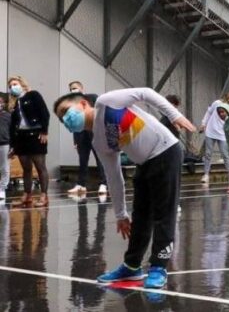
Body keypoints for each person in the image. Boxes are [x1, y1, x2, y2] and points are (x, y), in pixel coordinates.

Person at [53, 88, 197, 289]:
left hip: (166, 151)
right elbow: (114, 176)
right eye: (61, 119)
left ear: (83, 104)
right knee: (140, 216)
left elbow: (145, 93)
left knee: (164, 213)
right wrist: (121, 214)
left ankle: (158, 267)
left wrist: (175, 115)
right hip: (144, 163)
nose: (66, 119)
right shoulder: (99, 142)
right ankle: (132, 266)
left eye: (66, 111)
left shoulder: (107, 102)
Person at [8, 76, 50, 207]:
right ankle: (27, 195)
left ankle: (44, 195)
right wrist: (13, 145)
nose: (12, 87)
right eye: (10, 86)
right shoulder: (14, 103)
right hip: (21, 137)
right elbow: (13, 124)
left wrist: (44, 131)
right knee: (26, 168)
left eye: (15, 84)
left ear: (22, 84)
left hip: (36, 134)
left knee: (40, 166)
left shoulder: (33, 95)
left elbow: (45, 113)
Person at [66, 81, 108, 197]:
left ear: (81, 88)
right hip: (81, 134)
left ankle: (104, 183)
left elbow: (100, 113)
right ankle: (81, 184)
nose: (73, 91)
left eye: (75, 88)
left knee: (99, 158)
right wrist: (75, 140)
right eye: (71, 89)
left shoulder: (92, 97)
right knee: (82, 160)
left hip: (94, 133)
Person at [198, 93, 229, 184]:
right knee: (208, 153)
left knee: (225, 154)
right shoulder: (217, 103)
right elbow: (208, 112)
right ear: (228, 98)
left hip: (222, 134)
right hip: (211, 131)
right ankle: (206, 174)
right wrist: (203, 123)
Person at [0, 94, 10, 201]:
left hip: (4, 144)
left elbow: (12, 131)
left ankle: (2, 189)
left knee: (4, 168)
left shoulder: (8, 116)